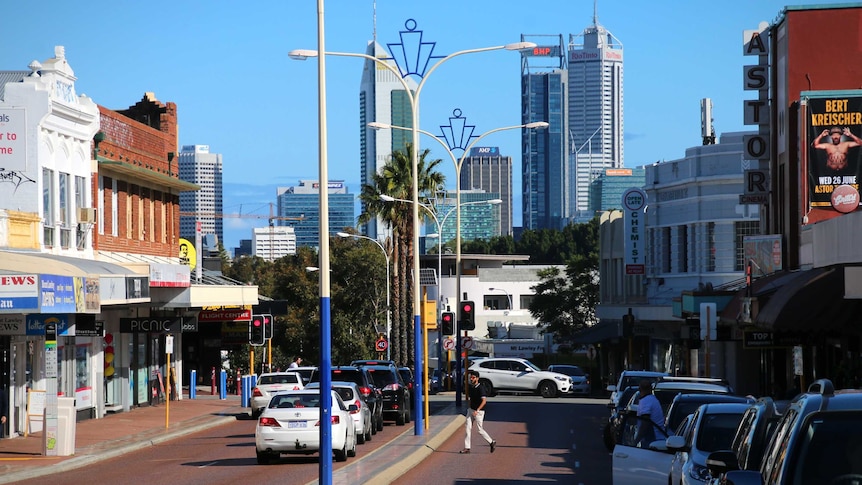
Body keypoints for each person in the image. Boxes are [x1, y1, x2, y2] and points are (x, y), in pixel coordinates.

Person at [461, 370, 496, 454]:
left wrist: (477, 410)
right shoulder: (471, 387)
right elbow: (470, 399)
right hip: (471, 410)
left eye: (473, 378)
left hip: (479, 412)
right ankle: (467, 448)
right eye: (470, 378)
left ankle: (491, 442)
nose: (471, 379)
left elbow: (484, 401)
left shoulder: (481, 388)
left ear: (477, 378)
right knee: (467, 428)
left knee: (480, 430)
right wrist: (469, 408)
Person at [635, 379, 666, 448]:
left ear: (640, 389)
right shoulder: (653, 399)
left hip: (652, 439)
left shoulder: (646, 401)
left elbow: (645, 422)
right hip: (658, 438)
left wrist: (636, 440)